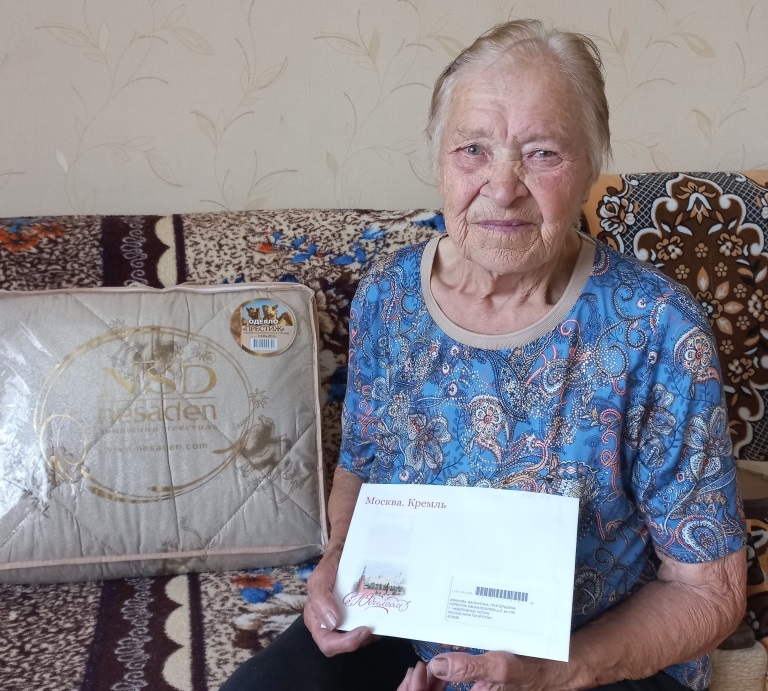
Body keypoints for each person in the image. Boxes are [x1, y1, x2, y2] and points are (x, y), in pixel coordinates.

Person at [221, 18, 746, 691]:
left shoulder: (660, 329)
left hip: (594, 649)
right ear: (439, 159)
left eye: (542, 153)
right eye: (473, 149)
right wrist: (337, 567)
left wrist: (552, 671)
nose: (502, 188)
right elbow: (362, 466)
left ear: (590, 167)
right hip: (409, 622)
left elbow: (708, 592)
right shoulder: (388, 295)